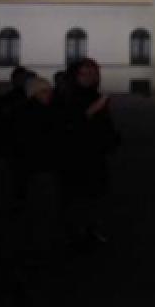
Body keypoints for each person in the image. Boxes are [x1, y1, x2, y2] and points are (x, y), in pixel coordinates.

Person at [56, 58, 120, 247]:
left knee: (94, 198)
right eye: (85, 73)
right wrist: (90, 112)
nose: (90, 78)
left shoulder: (94, 95)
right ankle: (72, 236)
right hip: (73, 158)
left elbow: (103, 125)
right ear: (75, 75)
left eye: (94, 74)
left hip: (94, 156)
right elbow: (63, 127)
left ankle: (90, 231)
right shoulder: (65, 97)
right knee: (74, 199)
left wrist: (112, 138)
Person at [0, 66, 34, 205]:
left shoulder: (28, 97)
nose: (22, 81)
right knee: (16, 176)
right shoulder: (9, 98)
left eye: (24, 78)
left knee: (21, 176)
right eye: (20, 78)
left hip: (24, 143)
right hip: (14, 143)